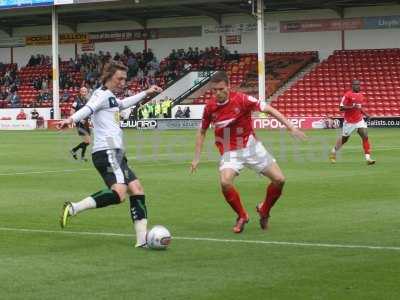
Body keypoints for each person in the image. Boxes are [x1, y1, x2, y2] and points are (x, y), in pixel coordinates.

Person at [57, 61, 162, 247]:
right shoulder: (101, 94)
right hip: (107, 150)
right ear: (109, 77)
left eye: (125, 79)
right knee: (120, 193)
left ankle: (141, 240)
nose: (123, 82)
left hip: (116, 152)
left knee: (136, 189)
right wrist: (71, 119)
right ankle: (74, 207)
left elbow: (122, 104)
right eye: (119, 78)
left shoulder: (111, 97)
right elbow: (88, 108)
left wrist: (146, 92)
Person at [190, 71, 306, 233]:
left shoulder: (243, 99)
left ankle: (264, 210)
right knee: (225, 182)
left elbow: (269, 110)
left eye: (220, 89)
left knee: (279, 180)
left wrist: (291, 127)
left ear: (228, 86)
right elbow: (201, 131)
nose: (217, 93)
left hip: (251, 147)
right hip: (230, 151)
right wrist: (196, 158)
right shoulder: (210, 107)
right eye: (213, 90)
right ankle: (242, 215)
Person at [329, 80, 376, 165]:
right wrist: (352, 106)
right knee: (344, 139)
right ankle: (334, 151)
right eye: (356, 85)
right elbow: (341, 108)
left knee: (365, 135)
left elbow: (359, 108)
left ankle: (368, 158)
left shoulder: (361, 95)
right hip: (349, 121)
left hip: (359, 120)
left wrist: (366, 114)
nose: (358, 86)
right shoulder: (347, 95)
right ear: (352, 86)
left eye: (359, 85)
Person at [70, 87, 91, 162]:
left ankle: (76, 152)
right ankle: (77, 153)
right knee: (87, 141)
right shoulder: (76, 102)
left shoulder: (87, 101)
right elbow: (71, 113)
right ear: (80, 92)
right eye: (83, 91)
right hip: (80, 124)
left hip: (86, 123)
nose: (84, 93)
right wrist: (79, 120)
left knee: (87, 141)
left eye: (85, 91)